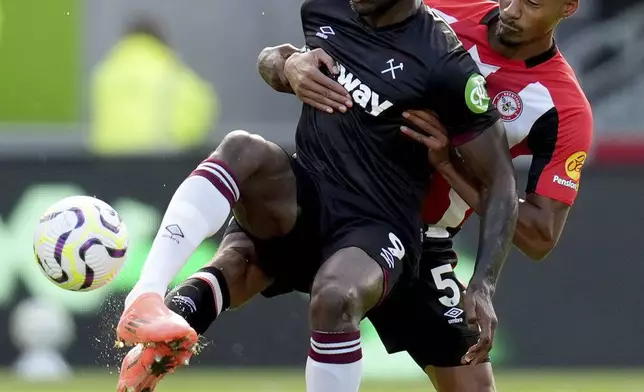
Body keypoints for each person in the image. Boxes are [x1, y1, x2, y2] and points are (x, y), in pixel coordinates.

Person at [115, 0, 519, 391]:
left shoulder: (444, 63)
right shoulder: (326, 7)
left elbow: (501, 179)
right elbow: (271, 61)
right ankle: (147, 298)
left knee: (334, 296)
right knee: (241, 149)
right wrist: (287, 65)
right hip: (306, 191)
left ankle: (180, 319)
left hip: (378, 226)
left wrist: (482, 284)